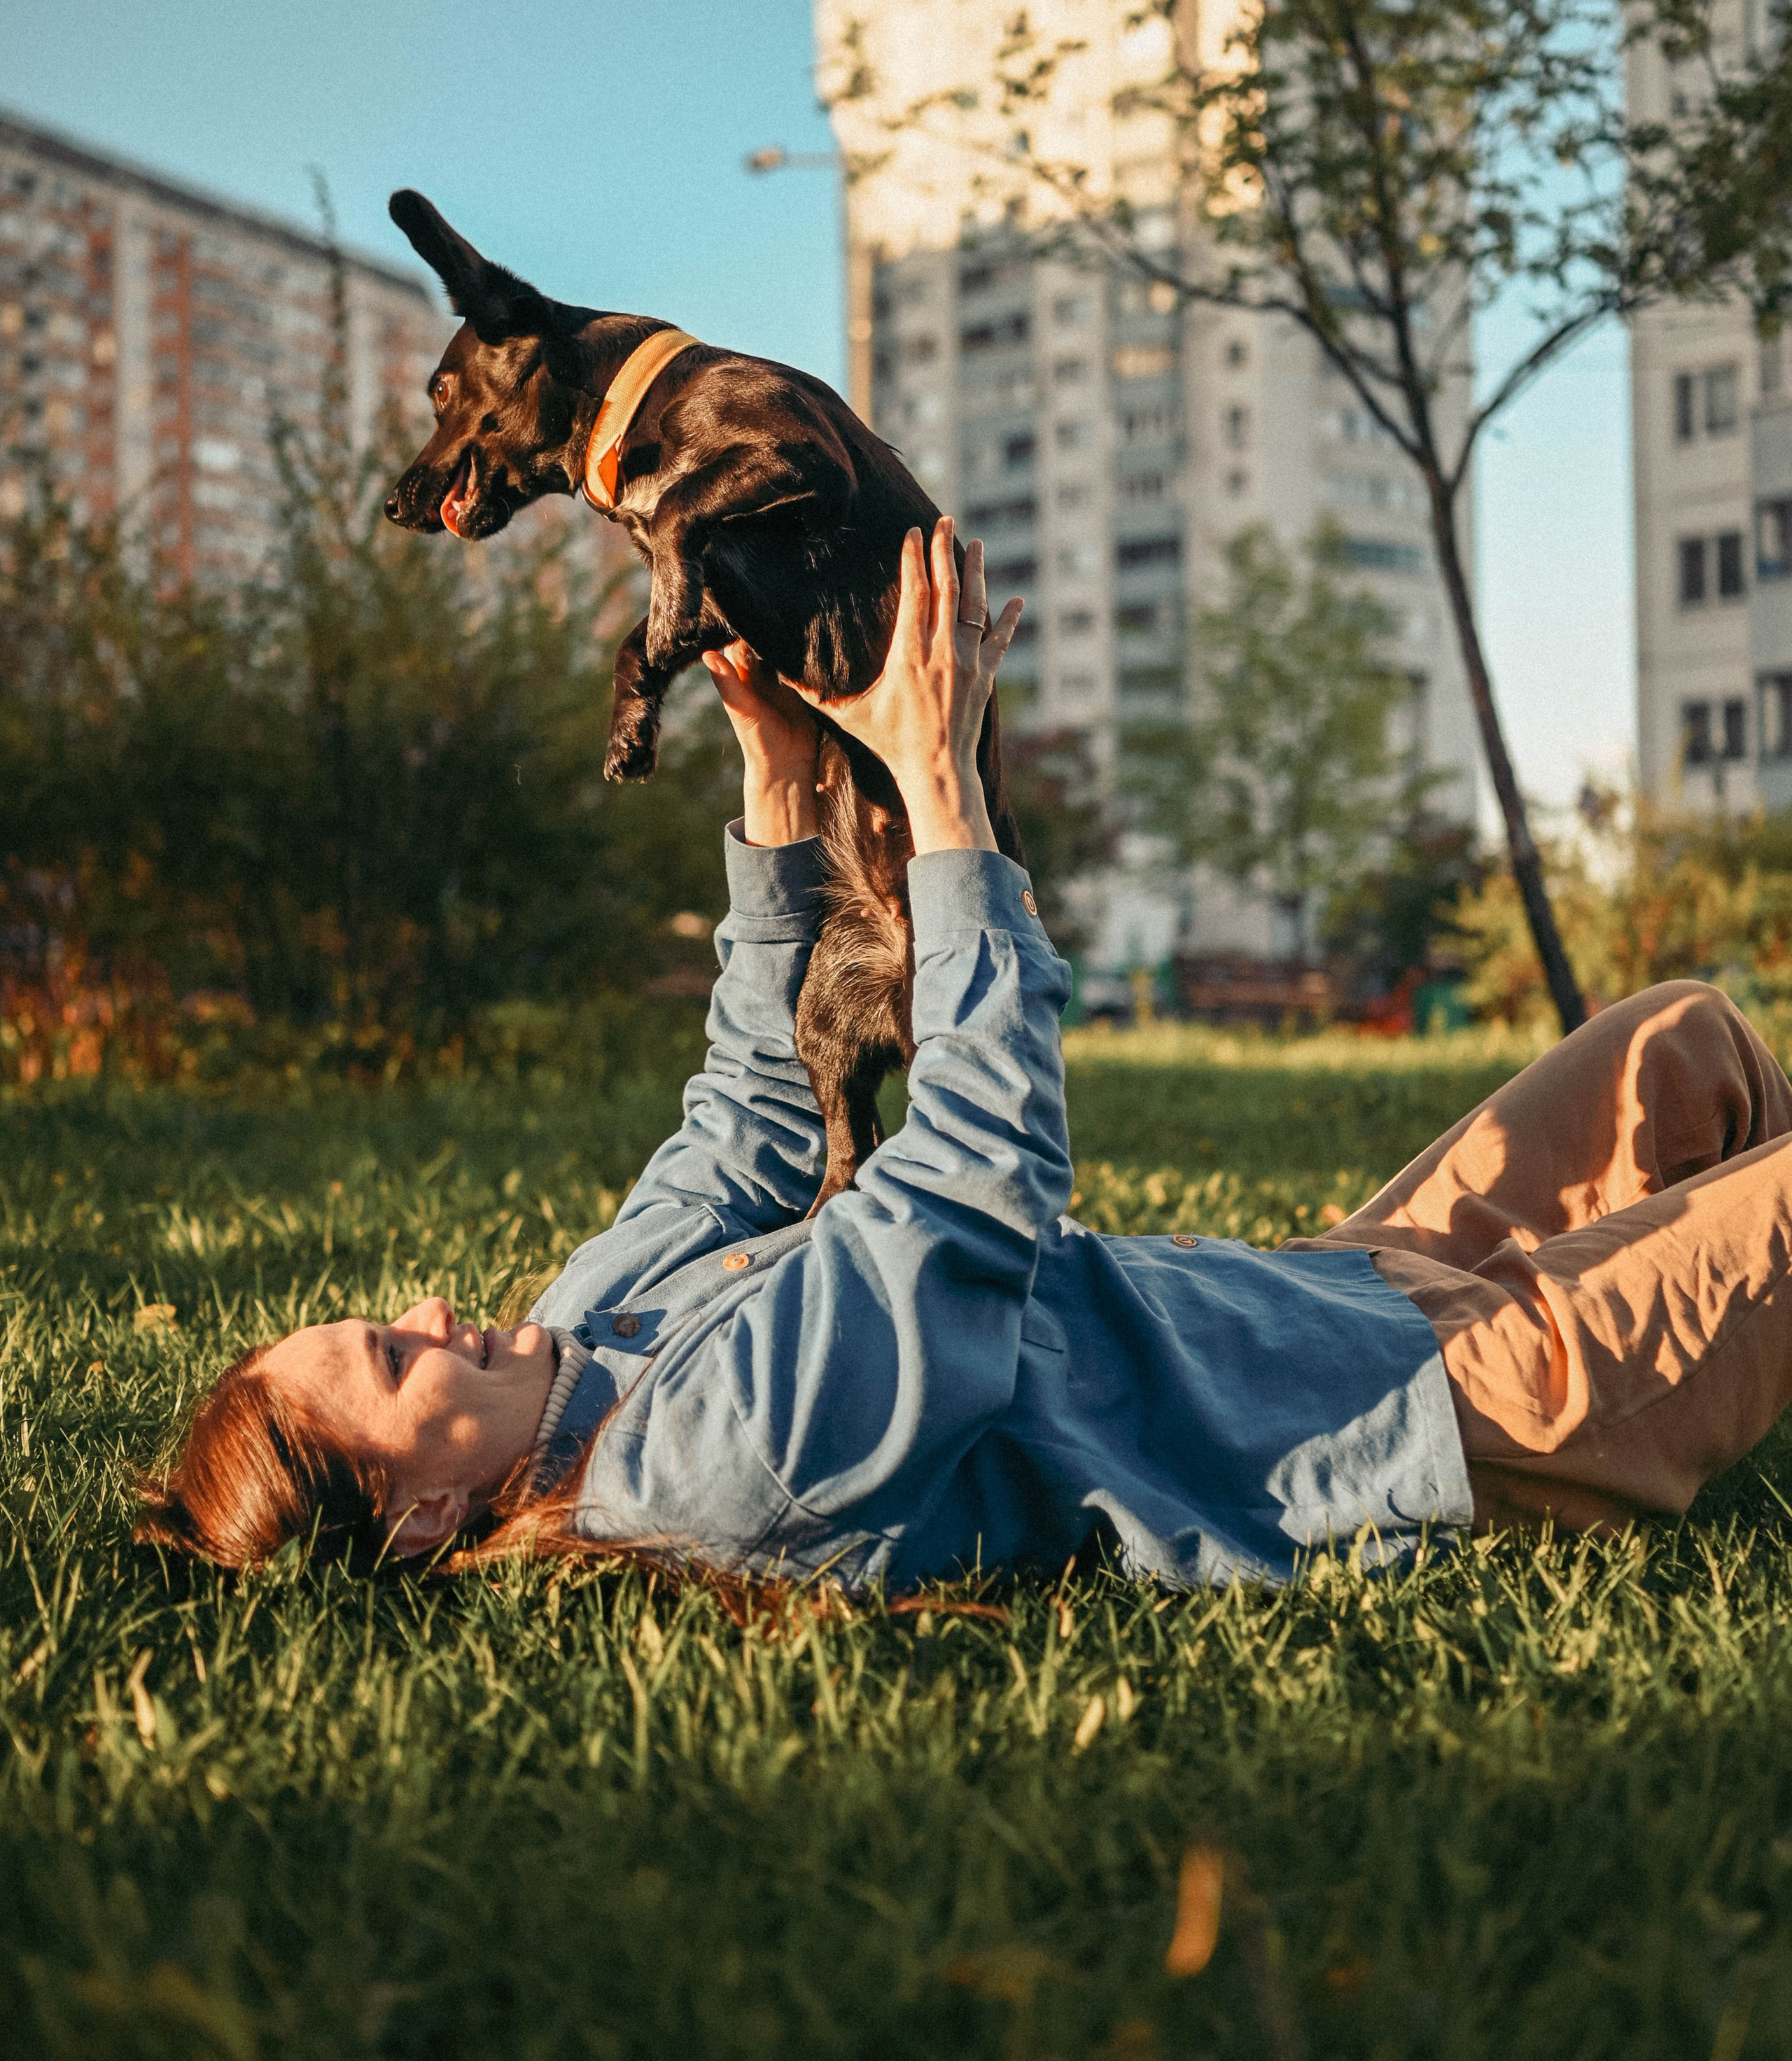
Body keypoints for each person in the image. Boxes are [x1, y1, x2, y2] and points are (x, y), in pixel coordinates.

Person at [140, 521, 1792, 1584]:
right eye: (396, 1362)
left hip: (1334, 1292)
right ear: (425, 1515)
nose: (433, 1314)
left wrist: (778, 788)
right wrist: (941, 791)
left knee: (1683, 1040)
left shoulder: (583, 1334)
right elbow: (967, 1184)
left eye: (388, 1318)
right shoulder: (709, 1472)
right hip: (1432, 1413)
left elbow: (747, 1117)